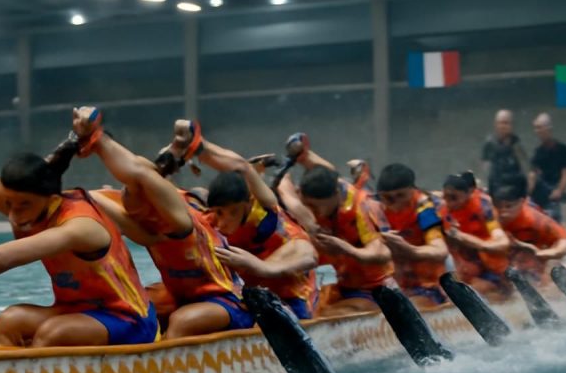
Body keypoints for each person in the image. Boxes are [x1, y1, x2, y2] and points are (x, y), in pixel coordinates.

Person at [0, 142, 158, 348]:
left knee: (55, 333)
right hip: (75, 311)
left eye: (22, 206)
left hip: (127, 319)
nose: (14, 215)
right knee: (9, 321)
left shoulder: (80, 226)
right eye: (9, 204)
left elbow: (0, 258)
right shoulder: (31, 204)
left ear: (51, 199)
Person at [70, 107, 250, 338]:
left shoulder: (182, 222)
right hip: (179, 297)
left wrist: (98, 140)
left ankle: (160, 358)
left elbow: (142, 173)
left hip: (224, 301)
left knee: (181, 320)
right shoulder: (147, 229)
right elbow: (98, 194)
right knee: (129, 306)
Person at [160, 121, 319, 320]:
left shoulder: (273, 224)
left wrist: (259, 267)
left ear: (246, 205)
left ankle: (199, 145)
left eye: (230, 213)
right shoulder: (211, 218)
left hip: (293, 295)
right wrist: (169, 159)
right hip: (244, 295)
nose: (221, 222)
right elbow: (162, 192)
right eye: (218, 213)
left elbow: (310, 256)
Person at [277, 167, 394, 315]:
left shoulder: (360, 206)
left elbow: (383, 253)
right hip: (331, 283)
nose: (310, 211)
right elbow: (284, 187)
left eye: (314, 206)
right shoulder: (303, 204)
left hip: (369, 288)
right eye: (306, 205)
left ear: (336, 196)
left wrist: (346, 249)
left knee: (326, 315)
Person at [374, 164, 449, 308]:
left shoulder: (425, 208)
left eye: (401, 195)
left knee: (409, 305)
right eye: (388, 198)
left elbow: (440, 250)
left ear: (413, 190)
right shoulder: (373, 206)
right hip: (390, 284)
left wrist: (409, 249)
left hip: (426, 284)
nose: (395, 203)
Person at [439, 172, 512, 300]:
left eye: (454, 198)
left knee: (478, 289)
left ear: (469, 193)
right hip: (466, 267)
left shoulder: (484, 207)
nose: (448, 203)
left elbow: (501, 242)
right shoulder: (441, 212)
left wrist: (475, 242)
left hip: (492, 264)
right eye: (445, 197)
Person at [492, 178, 566, 284]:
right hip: (508, 257)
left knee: (547, 269)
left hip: (538, 253)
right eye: (498, 206)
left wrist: (546, 254)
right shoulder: (488, 215)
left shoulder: (535, 220)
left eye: (508, 206)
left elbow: (564, 241)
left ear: (521, 202)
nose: (503, 211)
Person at [528, 113, 566, 223]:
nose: (537, 131)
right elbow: (533, 175)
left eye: (539, 127)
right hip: (539, 194)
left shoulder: (562, 150)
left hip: (553, 193)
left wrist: (559, 190)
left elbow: (565, 173)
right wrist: (527, 194)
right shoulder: (538, 152)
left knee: (554, 220)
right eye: (535, 128)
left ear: (547, 128)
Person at [481, 109, 528, 193]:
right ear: (496, 124)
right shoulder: (490, 144)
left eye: (506, 123)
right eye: (501, 123)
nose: (503, 126)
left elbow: (525, 166)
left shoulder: (517, 144)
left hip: (514, 187)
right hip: (496, 186)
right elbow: (485, 168)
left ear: (512, 125)